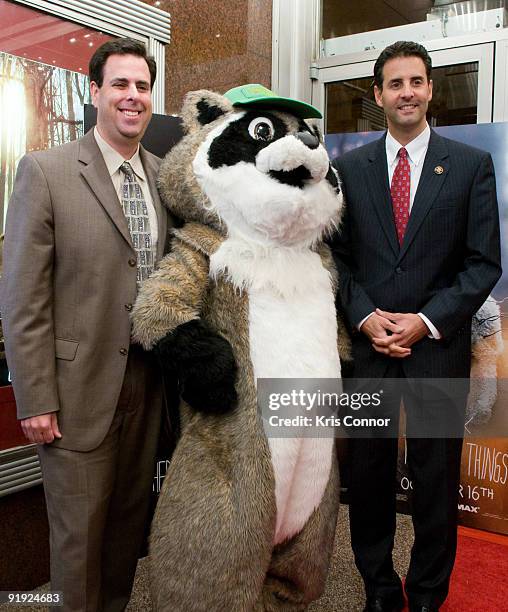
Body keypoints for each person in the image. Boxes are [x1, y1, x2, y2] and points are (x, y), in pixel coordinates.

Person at [0, 38, 173, 611]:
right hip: (75, 396)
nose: (132, 97)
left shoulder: (163, 178)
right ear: (95, 92)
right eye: (120, 84)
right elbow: (23, 297)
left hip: (146, 392)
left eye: (142, 87)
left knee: (126, 540)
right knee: (78, 549)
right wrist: (34, 397)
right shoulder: (45, 171)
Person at [330, 41, 501, 612]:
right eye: (395, 83)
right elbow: (336, 260)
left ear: (430, 90)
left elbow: (483, 263)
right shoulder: (347, 170)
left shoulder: (471, 166)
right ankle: (379, 589)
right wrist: (364, 316)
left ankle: (427, 593)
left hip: (436, 349)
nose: (407, 92)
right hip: (370, 348)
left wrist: (427, 321)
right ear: (377, 95)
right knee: (370, 478)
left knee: (434, 483)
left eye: (417, 81)